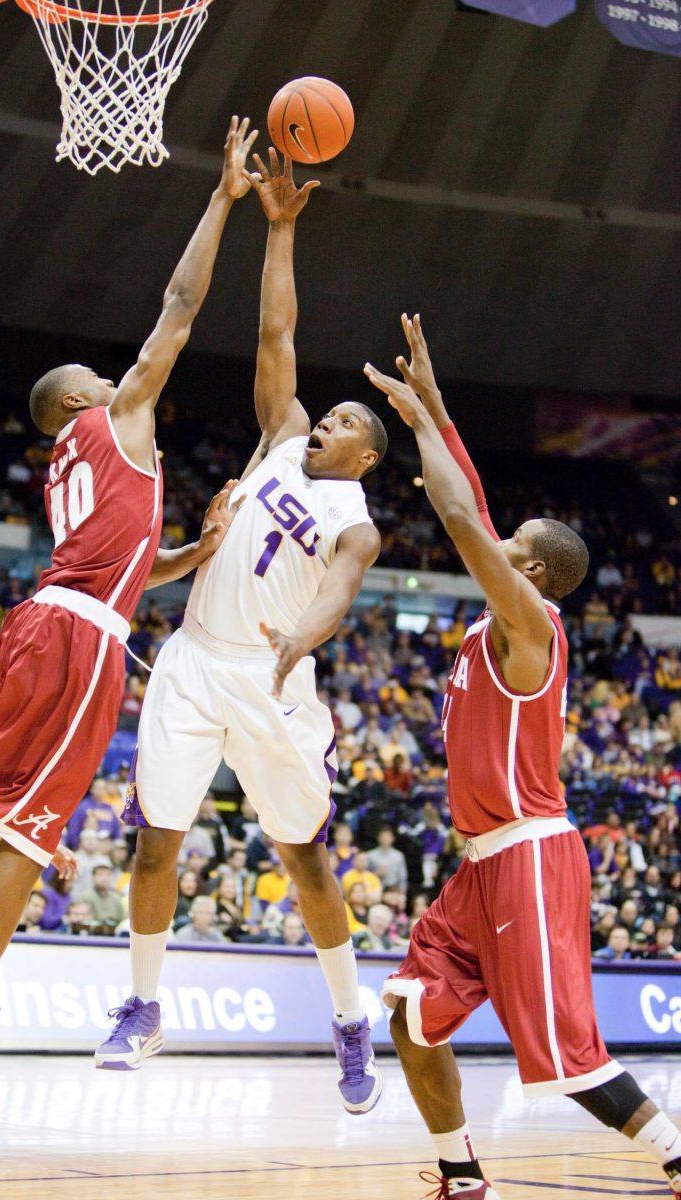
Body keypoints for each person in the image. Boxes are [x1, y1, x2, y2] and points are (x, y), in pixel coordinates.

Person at [0, 117, 258, 1120]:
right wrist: (222, 198)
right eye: (105, 374)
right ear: (83, 398)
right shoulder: (113, 415)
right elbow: (179, 306)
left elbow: (119, 572)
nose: (120, 373)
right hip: (77, 641)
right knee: (25, 840)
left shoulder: (74, 468)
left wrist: (193, 552)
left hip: (44, 621)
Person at [365, 314, 681, 1200]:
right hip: (479, 868)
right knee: (412, 1017)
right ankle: (463, 1174)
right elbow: (471, 501)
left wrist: (425, 422)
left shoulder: (531, 626)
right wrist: (432, 405)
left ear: (532, 575)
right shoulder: (506, 618)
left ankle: (676, 1151)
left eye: (511, 548)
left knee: (571, 1060)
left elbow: (461, 513)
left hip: (532, 859)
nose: (494, 545)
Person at [98, 151, 387, 1115]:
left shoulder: (357, 518)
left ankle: (350, 1023)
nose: (326, 420)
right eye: (327, 411)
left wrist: (302, 640)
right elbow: (277, 329)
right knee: (155, 842)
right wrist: (281, 225)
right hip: (191, 661)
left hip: (275, 683)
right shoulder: (278, 435)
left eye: (344, 420)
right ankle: (144, 1005)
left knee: (304, 857)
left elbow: (340, 591)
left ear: (365, 456)